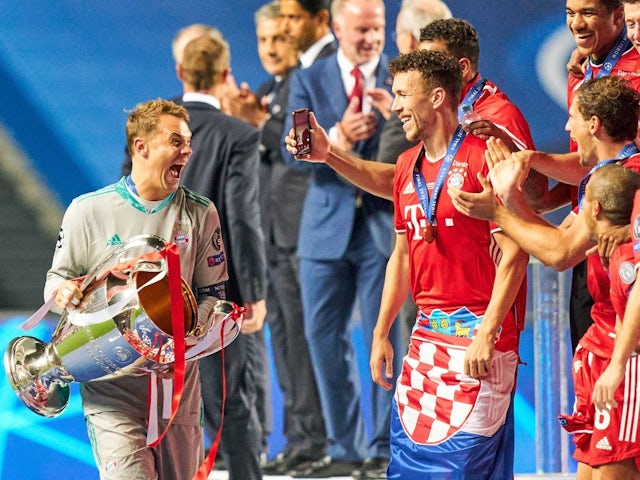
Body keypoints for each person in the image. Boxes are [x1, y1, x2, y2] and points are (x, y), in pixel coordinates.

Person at [291, 49, 527, 478]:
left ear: (437, 98)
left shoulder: (484, 158)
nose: (395, 106)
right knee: (406, 468)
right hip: (426, 337)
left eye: (403, 95)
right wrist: (380, 332)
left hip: (478, 339)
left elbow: (515, 254)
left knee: (461, 470)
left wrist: (487, 333)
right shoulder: (406, 167)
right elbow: (401, 257)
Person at [448, 75, 640, 479]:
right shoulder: (603, 177)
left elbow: (560, 254)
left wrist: (498, 213)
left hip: (623, 352)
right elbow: (559, 242)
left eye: (571, 118)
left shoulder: (626, 180)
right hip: (598, 345)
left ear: (593, 125)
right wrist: (512, 199)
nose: (566, 129)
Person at [45, 99, 229, 479]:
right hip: (111, 388)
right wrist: (63, 292)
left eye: (189, 142)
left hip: (177, 389)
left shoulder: (201, 212)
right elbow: (57, 279)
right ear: (141, 147)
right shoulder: (87, 210)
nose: (188, 151)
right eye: (176, 141)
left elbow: (214, 295)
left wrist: (201, 327)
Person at [281, 0, 404, 478]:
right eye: (361, 29)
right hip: (325, 226)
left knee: (384, 336)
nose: (371, 38)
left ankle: (381, 447)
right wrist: (335, 139)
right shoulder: (309, 79)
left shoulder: (401, 78)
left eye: (377, 29)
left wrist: (396, 113)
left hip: (380, 227)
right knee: (320, 335)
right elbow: (292, 156)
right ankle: (344, 448)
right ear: (336, 27)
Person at [234, 2, 329, 476]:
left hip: (298, 233)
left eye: (281, 36)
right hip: (270, 234)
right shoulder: (271, 91)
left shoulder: (303, 85)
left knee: (303, 339)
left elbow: (299, 154)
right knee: (286, 339)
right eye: (265, 40)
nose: (273, 47)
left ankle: (315, 440)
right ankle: (298, 438)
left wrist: (258, 125)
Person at [177, 34, 268, 480]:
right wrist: (253, 293)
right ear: (226, 75)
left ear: (180, 72)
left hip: (157, 291)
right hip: (218, 294)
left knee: (165, 407)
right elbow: (243, 220)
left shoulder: (150, 128)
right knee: (232, 404)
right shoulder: (239, 135)